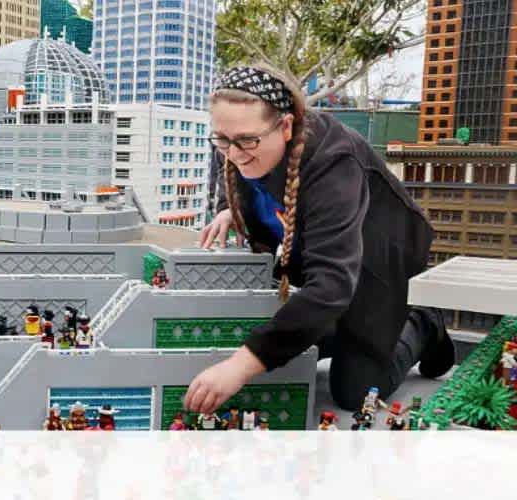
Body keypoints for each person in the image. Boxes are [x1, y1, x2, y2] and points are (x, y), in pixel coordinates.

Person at [188, 65, 455, 414]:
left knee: (355, 392)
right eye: (223, 140)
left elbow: (331, 285)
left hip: (378, 257)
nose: (234, 153)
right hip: (317, 252)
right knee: (292, 335)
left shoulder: (335, 161)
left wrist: (240, 366)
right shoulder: (233, 140)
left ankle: (423, 323)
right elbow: (232, 180)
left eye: (247, 141)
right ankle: (336, 330)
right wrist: (228, 209)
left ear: (285, 127)